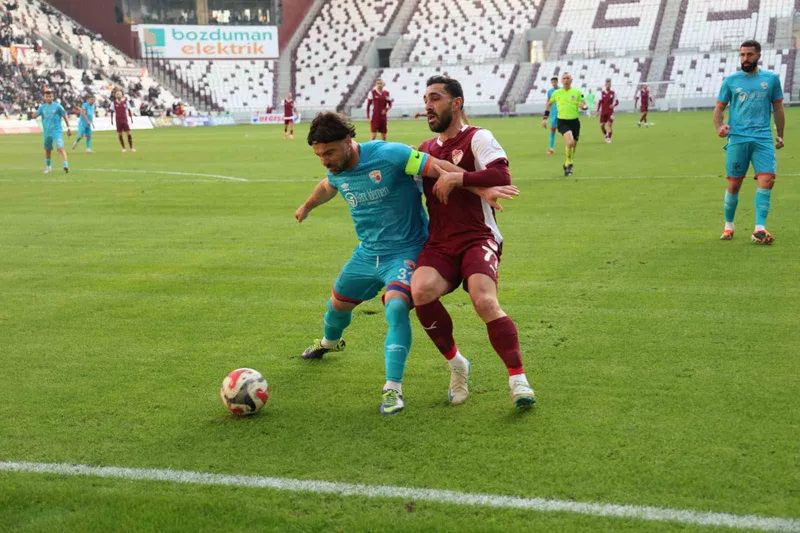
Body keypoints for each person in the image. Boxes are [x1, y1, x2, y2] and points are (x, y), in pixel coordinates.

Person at [296, 112, 515, 415]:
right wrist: (307, 206)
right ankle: (328, 342)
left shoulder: (391, 155)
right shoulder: (337, 168)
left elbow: (440, 168)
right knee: (336, 307)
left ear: (348, 141)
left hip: (406, 251)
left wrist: (482, 188)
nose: (324, 160)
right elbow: (327, 186)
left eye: (329, 152)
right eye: (319, 155)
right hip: (367, 253)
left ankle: (393, 389)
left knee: (396, 306)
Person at [412, 75, 535, 411]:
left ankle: (518, 380)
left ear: (457, 103)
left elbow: (501, 175)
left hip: (478, 237)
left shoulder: (477, 137)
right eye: (426, 100)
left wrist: (459, 178)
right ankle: (457, 365)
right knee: (420, 291)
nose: (428, 106)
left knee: (484, 300)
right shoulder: (425, 149)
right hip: (439, 243)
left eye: (435, 98)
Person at [714, 39, 785, 244]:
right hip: (738, 138)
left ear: (758, 56)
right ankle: (729, 225)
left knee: (767, 179)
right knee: (734, 184)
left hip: (762, 138)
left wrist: (780, 133)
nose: (745, 58)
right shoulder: (731, 81)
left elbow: (778, 108)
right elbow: (719, 109)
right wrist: (720, 126)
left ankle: (759, 228)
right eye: (742, 55)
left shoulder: (771, 79)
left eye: (749, 55)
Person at [542, 72, 587, 176]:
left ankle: (567, 163)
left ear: (571, 80)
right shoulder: (556, 93)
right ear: (561, 81)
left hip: (575, 122)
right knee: (570, 143)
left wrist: (584, 106)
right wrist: (545, 118)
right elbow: (549, 104)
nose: (566, 80)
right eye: (564, 78)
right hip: (562, 121)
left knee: (573, 146)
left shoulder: (577, 92)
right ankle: (570, 164)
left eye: (568, 78)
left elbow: (584, 104)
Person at [33, 89, 70, 174]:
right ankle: (48, 167)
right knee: (48, 150)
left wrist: (68, 127)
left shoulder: (58, 106)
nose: (48, 98)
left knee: (60, 148)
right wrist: (34, 113)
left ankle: (65, 164)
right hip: (47, 132)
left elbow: (64, 116)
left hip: (56, 131)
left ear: (53, 97)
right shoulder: (42, 107)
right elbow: (35, 116)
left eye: (50, 96)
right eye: (47, 96)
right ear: (44, 97)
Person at [598, 78, 618, 143]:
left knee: (609, 125)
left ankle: (609, 138)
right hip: (603, 112)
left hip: (610, 112)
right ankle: (606, 135)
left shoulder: (613, 93)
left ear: (610, 85)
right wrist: (598, 110)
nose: (608, 85)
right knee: (602, 126)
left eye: (609, 84)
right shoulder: (602, 93)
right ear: (605, 85)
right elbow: (600, 102)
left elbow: (617, 102)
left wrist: (613, 105)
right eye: (607, 84)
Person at [543, 76, 559, 155]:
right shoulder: (550, 92)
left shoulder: (561, 90)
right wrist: (545, 118)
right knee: (552, 131)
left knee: (565, 131)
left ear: (557, 82)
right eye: (552, 82)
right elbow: (548, 103)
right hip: (553, 114)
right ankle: (551, 149)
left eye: (554, 82)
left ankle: (570, 145)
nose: (553, 84)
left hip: (562, 114)